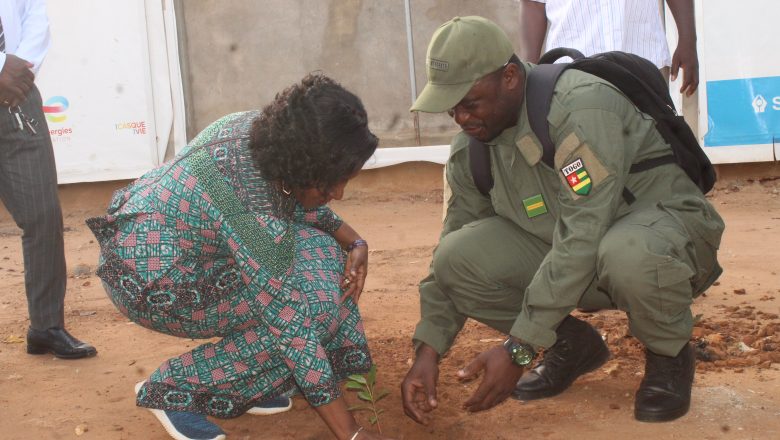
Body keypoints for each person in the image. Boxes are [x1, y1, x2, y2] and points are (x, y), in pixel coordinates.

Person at [401, 16, 723, 424]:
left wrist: (519, 347)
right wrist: (428, 350)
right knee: (455, 257)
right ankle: (571, 345)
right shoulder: (473, 147)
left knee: (628, 253)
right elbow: (449, 248)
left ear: (510, 77)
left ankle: (669, 355)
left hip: (662, 239)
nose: (461, 118)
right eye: (451, 108)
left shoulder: (581, 107)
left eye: (470, 102)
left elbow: (584, 232)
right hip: (579, 253)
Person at [87, 74, 392, 440]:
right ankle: (175, 390)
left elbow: (292, 197)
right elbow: (289, 324)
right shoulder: (250, 208)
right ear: (303, 167)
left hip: (181, 252)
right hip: (152, 281)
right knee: (311, 306)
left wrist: (355, 242)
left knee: (321, 249)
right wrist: (352, 434)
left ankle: (248, 382)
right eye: (331, 182)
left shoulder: (265, 137)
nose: (339, 193)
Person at [0, 0, 96, 359]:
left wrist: (17, 71)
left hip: (15, 97)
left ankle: (45, 326)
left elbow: (33, 15)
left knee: (43, 215)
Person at [519, 0, 699, 96]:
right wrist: (529, 69)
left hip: (644, 59)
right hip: (572, 72)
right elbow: (533, 4)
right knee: (582, 149)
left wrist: (688, 40)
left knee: (652, 145)